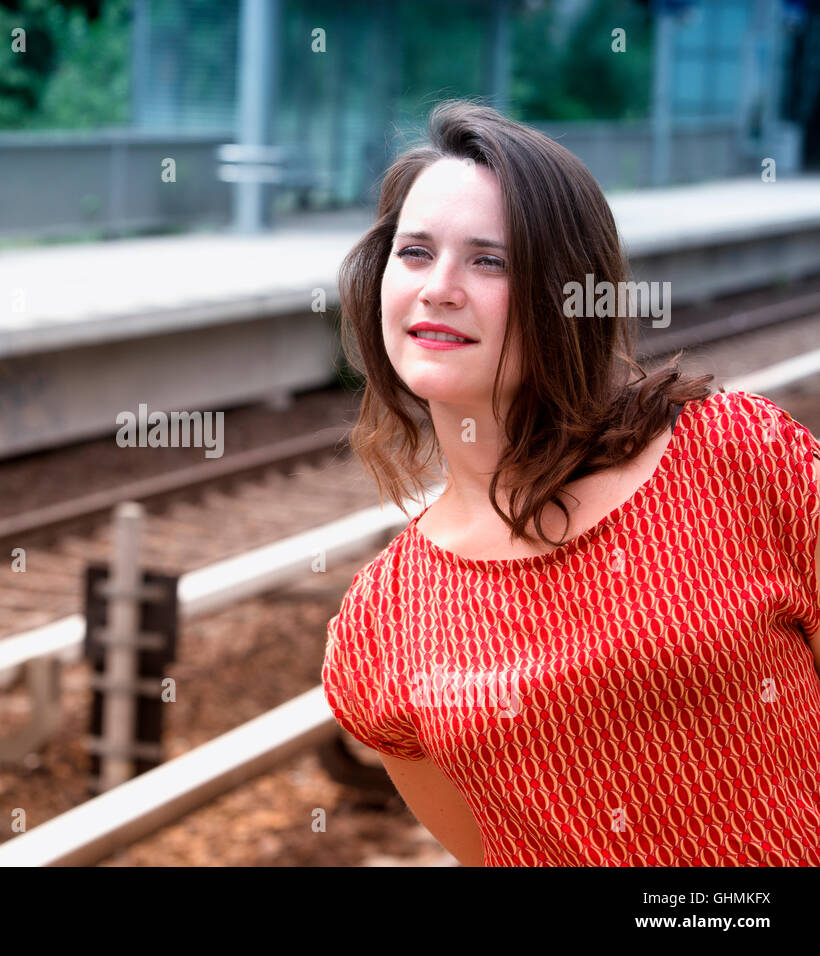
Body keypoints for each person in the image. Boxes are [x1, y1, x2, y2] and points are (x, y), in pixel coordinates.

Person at [322, 99, 820, 866]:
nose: (440, 287)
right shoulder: (381, 627)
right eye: (415, 253)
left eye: (490, 261)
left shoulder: (737, 456)